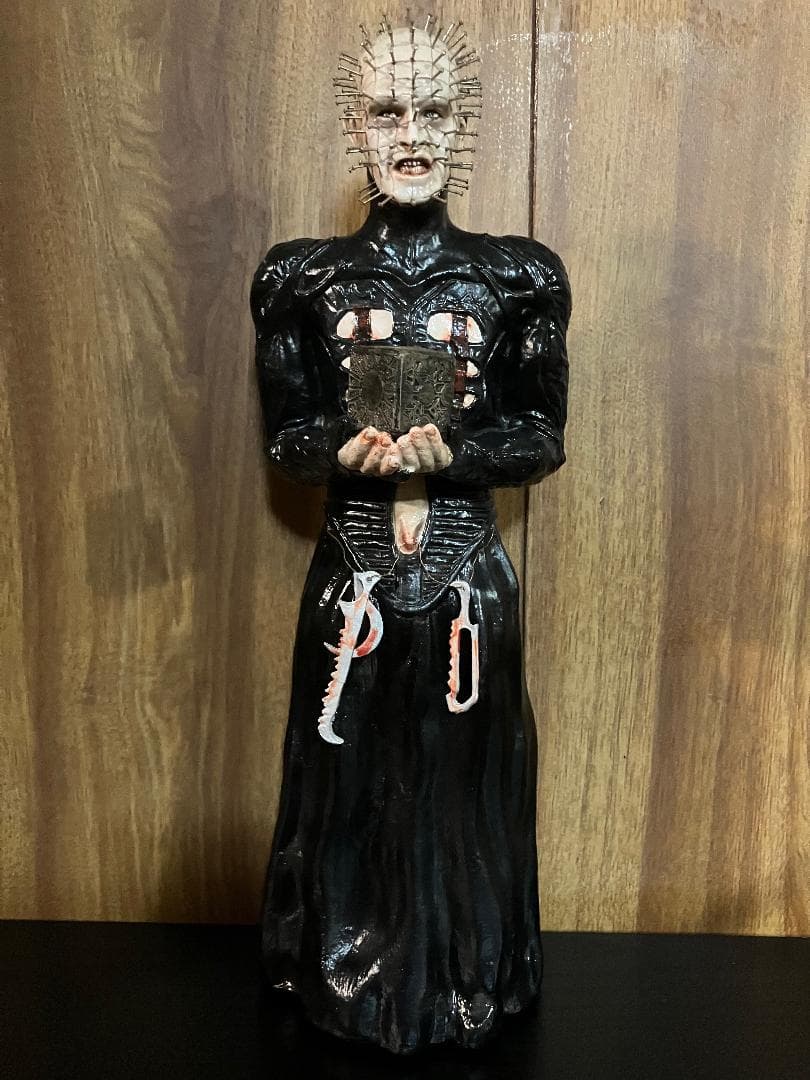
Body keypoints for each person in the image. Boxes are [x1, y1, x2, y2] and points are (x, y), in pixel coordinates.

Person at [251, 17, 571, 1054]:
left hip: (467, 575)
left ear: (460, 124)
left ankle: (472, 972)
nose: (412, 135)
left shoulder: (519, 277)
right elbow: (288, 435)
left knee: (463, 775)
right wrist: (343, 453)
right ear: (358, 125)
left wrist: (456, 454)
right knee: (346, 771)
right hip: (350, 573)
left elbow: (542, 432)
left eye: (433, 112)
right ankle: (336, 972)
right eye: (389, 112)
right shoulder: (299, 279)